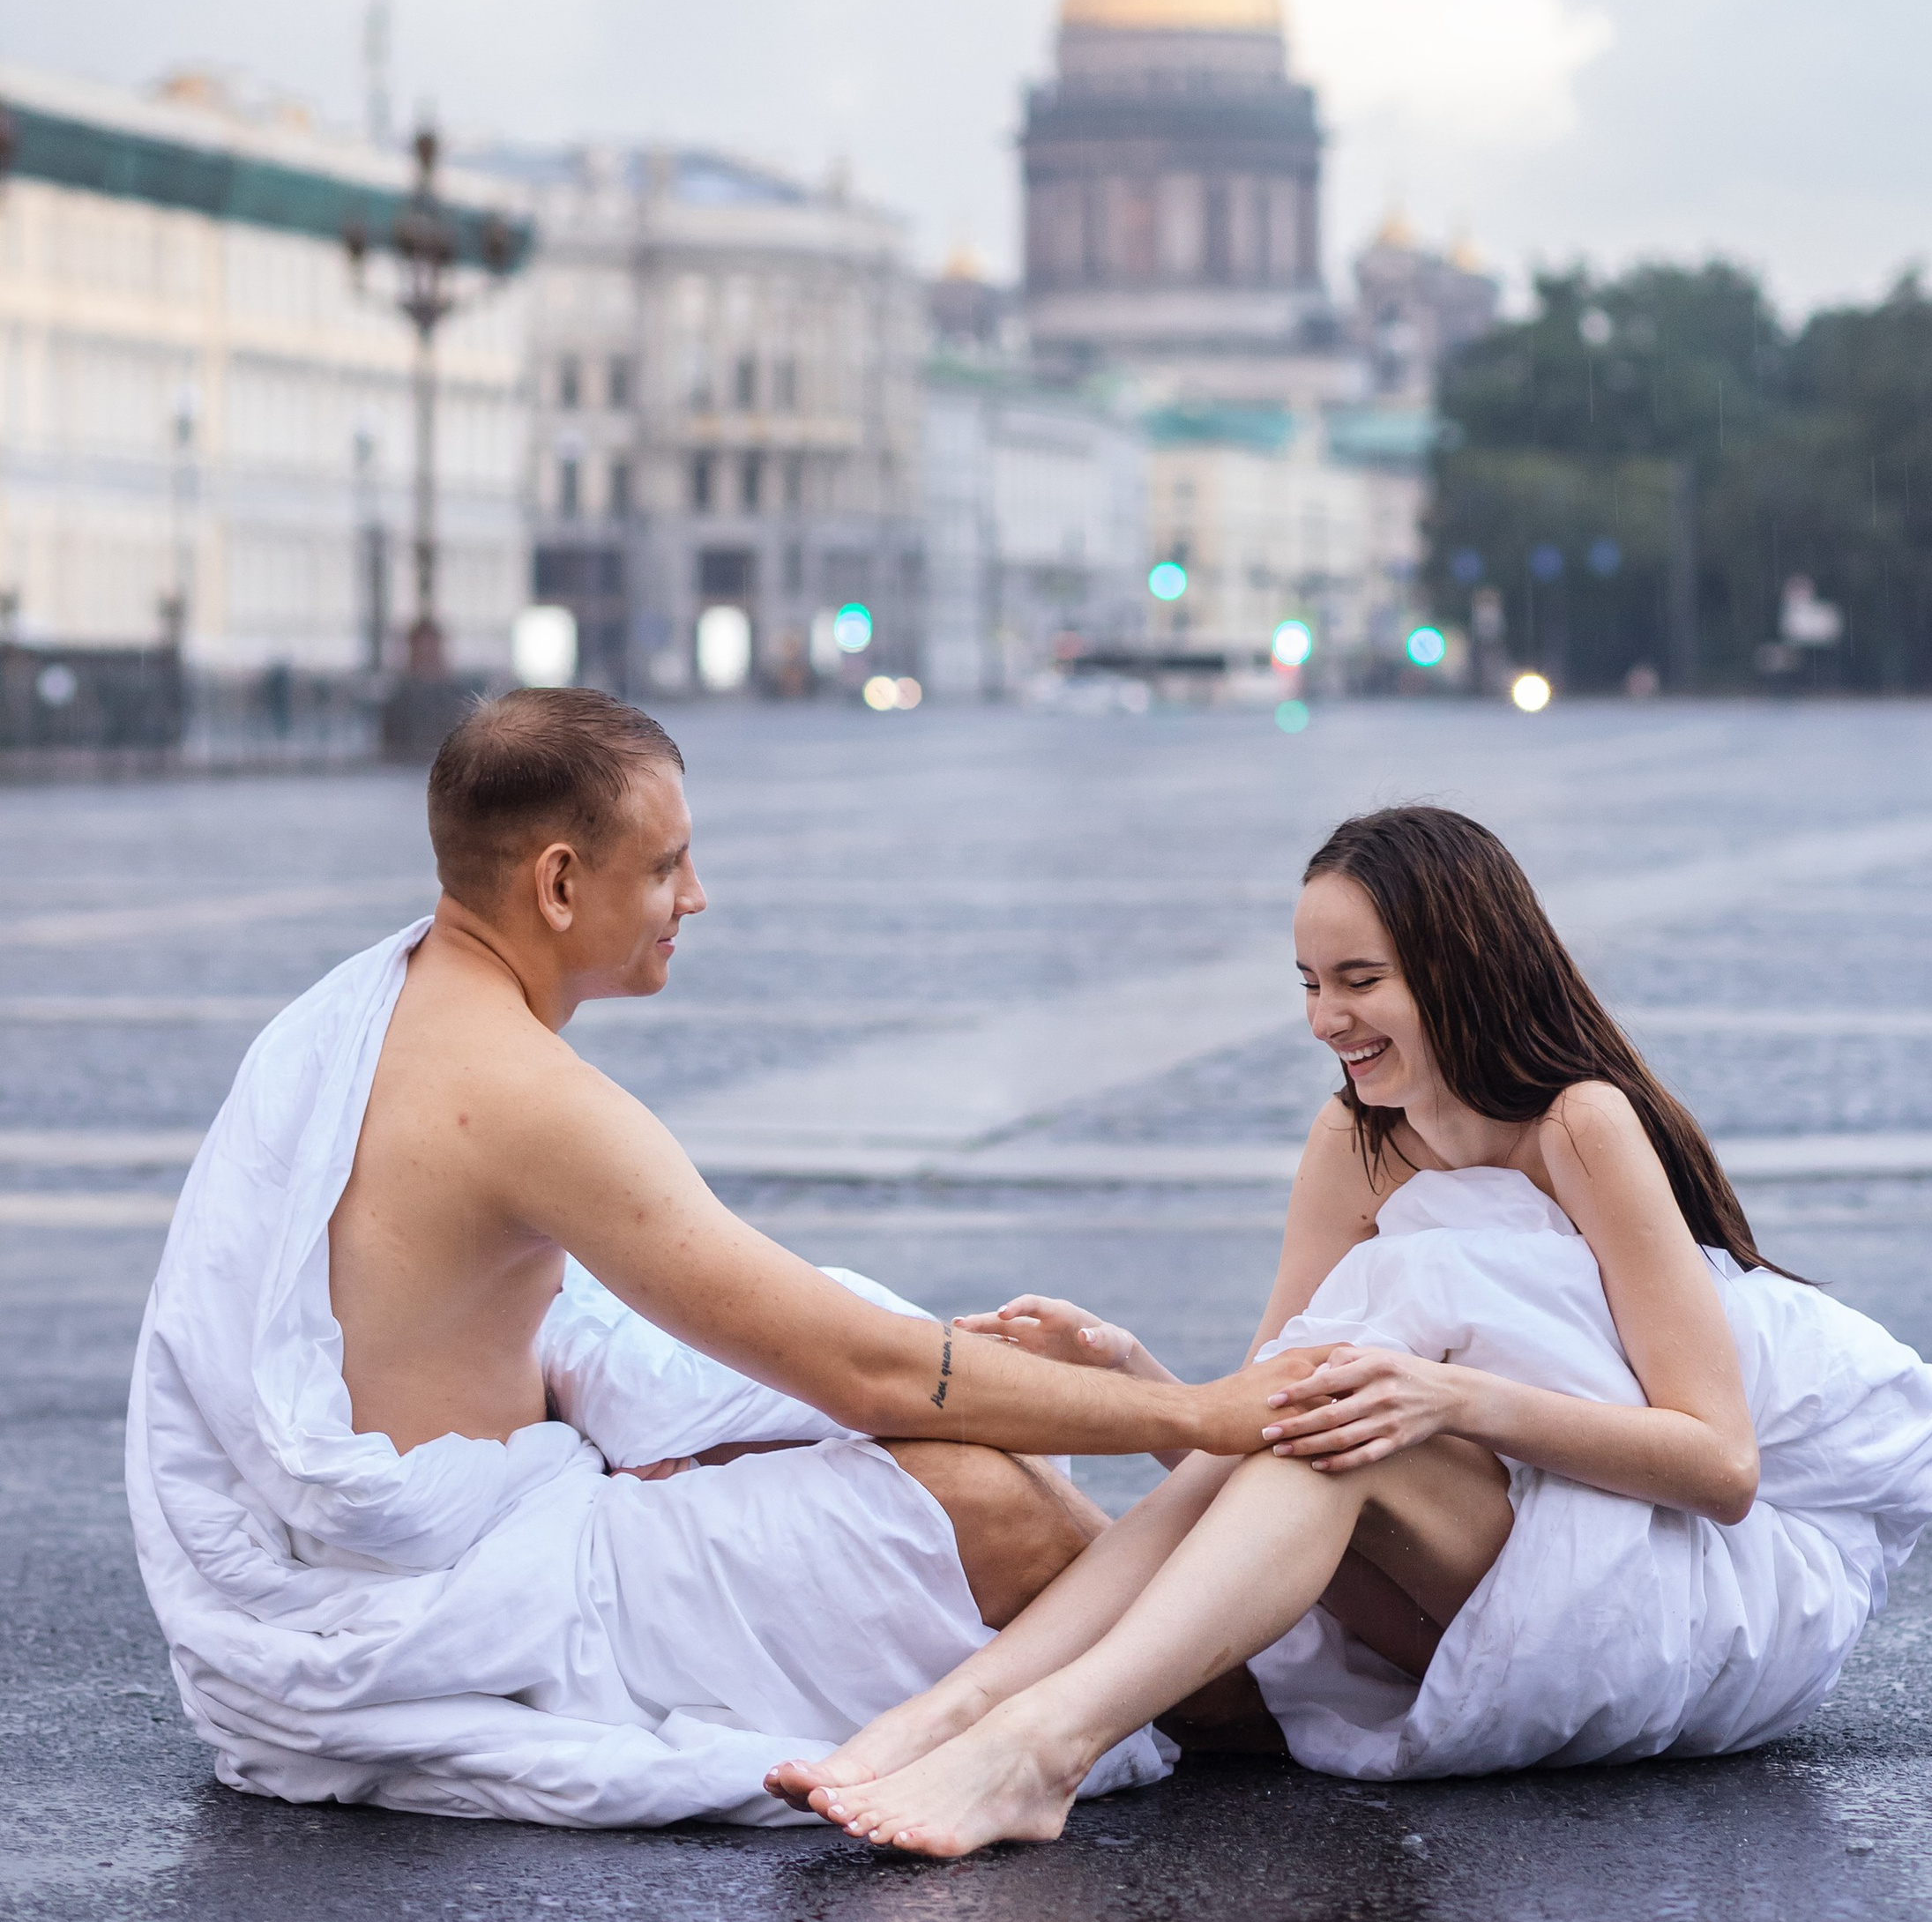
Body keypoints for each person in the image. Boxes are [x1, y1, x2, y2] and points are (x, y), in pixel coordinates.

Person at [126, 688, 1325, 1831]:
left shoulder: (369, 1013)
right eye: (664, 866)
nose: (695, 896)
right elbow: (867, 1372)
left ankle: (1249, 1667)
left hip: (458, 1523)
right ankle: (1314, 1727)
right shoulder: (531, 1097)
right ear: (557, 882)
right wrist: (1206, 1415)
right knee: (983, 1504)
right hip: (454, 1590)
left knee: (932, 1431)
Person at [771, 804, 1932, 1857]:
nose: (1326, 1017)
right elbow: (1244, 1451)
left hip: (1671, 1585)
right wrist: (1136, 1374)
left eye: (1358, 979)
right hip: (1471, 1567)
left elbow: (1721, 1467)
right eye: (1307, 982)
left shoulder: (1582, 1126)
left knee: (1346, 1422)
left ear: (1458, 966)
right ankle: (953, 1718)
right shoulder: (1354, 1142)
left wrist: (1455, 1401)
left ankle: (1045, 1744)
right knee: (1314, 1412)